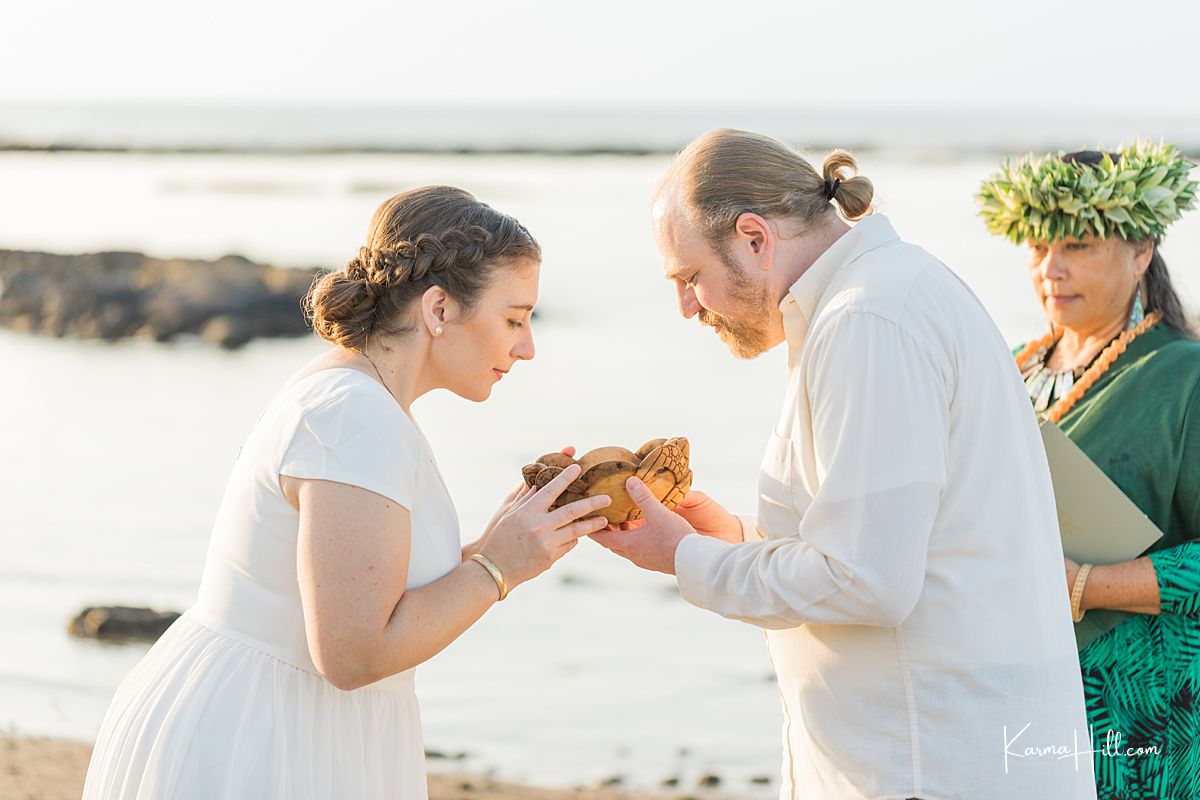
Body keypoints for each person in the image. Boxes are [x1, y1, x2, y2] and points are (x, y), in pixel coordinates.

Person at [591, 129, 1096, 799]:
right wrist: (732, 540)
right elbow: (893, 545)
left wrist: (685, 557)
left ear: (753, 238)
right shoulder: (882, 295)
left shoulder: (869, 323)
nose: (686, 306)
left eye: (690, 278)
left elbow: (869, 581)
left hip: (930, 767)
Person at [82, 185, 612, 799]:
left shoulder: (362, 398)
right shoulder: (355, 417)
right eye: (515, 319)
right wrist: (498, 568)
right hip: (261, 739)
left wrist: (500, 545)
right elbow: (352, 653)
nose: (527, 346)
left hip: (278, 715)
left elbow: (373, 594)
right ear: (438, 309)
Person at [978, 142, 1200, 797]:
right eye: (1038, 247)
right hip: (1007, 697)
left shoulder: (1183, 378)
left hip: (1136, 718)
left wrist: (1085, 585)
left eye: (1077, 245)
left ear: (1141, 253)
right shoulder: (1010, 367)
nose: (1051, 269)